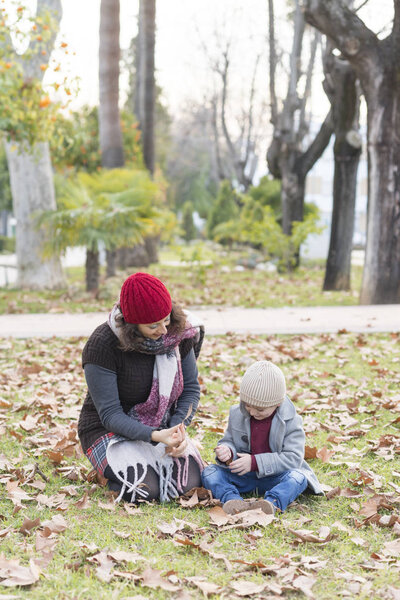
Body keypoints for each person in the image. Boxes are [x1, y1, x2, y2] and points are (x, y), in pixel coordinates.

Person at [78, 272, 205, 503]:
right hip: (108, 430)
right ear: (132, 324)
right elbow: (110, 414)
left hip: (162, 426)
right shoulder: (102, 345)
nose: (164, 331)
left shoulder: (180, 333)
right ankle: (110, 469)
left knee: (190, 483)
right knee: (146, 489)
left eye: (166, 319)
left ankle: (141, 462)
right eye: (153, 325)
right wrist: (155, 436)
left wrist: (177, 430)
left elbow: (190, 390)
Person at [201, 361, 323, 514]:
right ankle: (232, 500)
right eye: (247, 405)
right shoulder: (237, 413)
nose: (252, 412)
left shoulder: (291, 420)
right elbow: (229, 440)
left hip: (276, 477)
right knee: (210, 472)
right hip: (243, 476)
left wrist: (255, 462)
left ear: (278, 403)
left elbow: (293, 458)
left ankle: (272, 503)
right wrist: (227, 451)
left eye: (260, 409)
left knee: (299, 477)